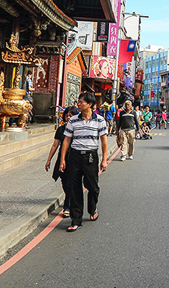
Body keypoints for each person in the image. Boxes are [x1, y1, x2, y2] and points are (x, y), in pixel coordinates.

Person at [59, 92, 108, 232]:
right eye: (78, 102)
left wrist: (104, 160)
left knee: (93, 187)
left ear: (90, 104)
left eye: (81, 102)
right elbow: (67, 140)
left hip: (91, 157)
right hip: (74, 157)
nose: (78, 104)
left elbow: (104, 141)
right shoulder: (73, 120)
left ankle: (92, 209)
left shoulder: (100, 120)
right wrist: (63, 159)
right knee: (74, 189)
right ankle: (76, 220)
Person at [45, 106, 78, 218]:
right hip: (62, 158)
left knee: (70, 183)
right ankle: (69, 199)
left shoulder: (78, 129)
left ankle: (67, 206)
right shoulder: (61, 130)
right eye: (67, 115)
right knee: (64, 182)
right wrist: (49, 160)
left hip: (74, 159)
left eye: (71, 115)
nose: (68, 117)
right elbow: (55, 145)